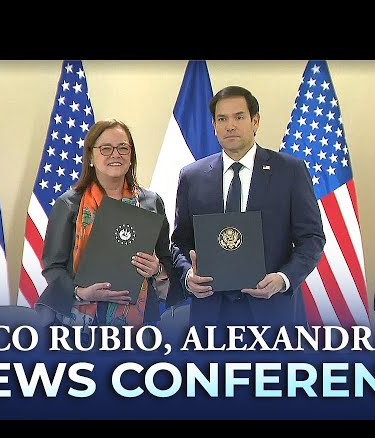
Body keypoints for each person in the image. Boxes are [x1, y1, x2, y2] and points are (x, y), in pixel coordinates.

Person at [171, 86, 325, 345]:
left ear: (255, 121)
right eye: (222, 119)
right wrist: (188, 276)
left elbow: (312, 238)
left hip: (274, 314)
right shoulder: (192, 177)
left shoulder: (290, 171)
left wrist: (283, 279)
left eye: (239, 117)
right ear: (214, 125)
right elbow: (180, 241)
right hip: (211, 317)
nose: (230, 125)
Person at [35, 118, 184, 338]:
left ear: (131, 156)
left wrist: (157, 270)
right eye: (106, 148)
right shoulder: (68, 205)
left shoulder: (151, 203)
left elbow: (166, 260)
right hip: (75, 326)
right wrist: (81, 293)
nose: (116, 154)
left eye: (123, 148)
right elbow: (53, 266)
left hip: (139, 326)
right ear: (91, 156)